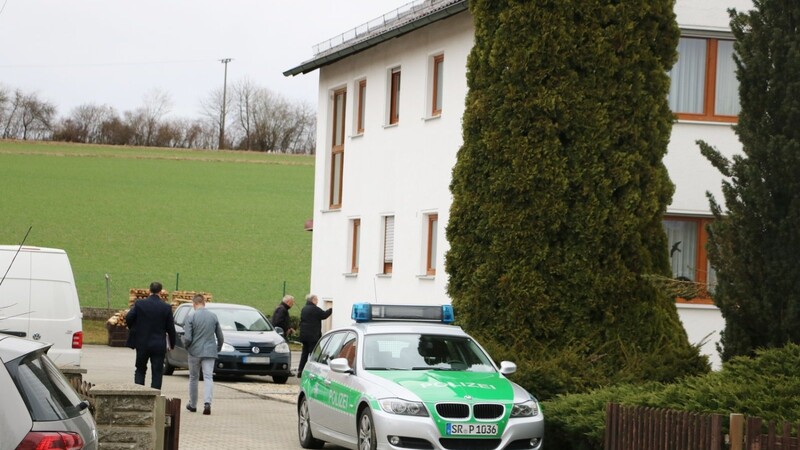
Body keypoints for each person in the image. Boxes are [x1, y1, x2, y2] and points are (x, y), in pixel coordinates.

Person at [125, 281, 176, 390]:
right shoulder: (166, 307)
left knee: (140, 369)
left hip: (142, 342)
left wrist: (134, 329)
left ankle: (139, 394)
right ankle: (155, 396)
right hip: (158, 344)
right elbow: (171, 328)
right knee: (157, 371)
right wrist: (172, 344)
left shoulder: (140, 304)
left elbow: (129, 317)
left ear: (149, 291)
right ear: (160, 292)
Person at [183, 294, 224, 416]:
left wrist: (187, 346)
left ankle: (193, 404)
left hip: (194, 351)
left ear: (194, 304)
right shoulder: (213, 316)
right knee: (208, 377)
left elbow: (188, 337)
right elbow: (220, 337)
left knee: (193, 378)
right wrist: (217, 348)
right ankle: (207, 403)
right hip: (210, 351)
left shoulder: (191, 316)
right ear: (204, 303)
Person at [297, 294, 332, 377]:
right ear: (313, 300)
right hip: (313, 336)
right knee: (315, 354)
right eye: (316, 300)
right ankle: (315, 372)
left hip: (304, 336)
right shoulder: (314, 309)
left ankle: (300, 370)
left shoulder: (304, 309)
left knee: (304, 354)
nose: (317, 301)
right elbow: (324, 315)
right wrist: (331, 309)